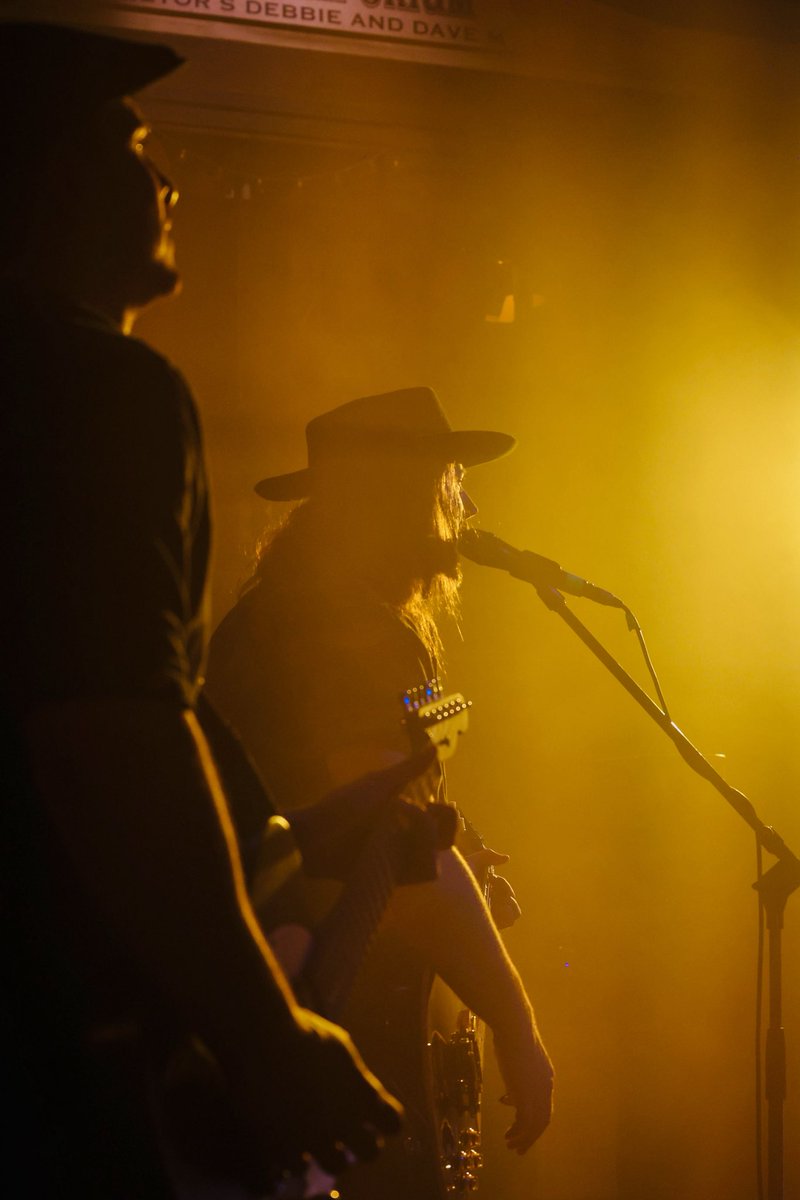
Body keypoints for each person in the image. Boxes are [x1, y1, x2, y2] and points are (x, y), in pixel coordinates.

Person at [0, 23, 431, 1197]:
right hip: (69, 1044)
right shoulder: (100, 389)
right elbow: (112, 734)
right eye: (130, 143)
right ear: (45, 177)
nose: (166, 177)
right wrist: (258, 1033)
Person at [205, 386, 555, 1199]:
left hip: (267, 1026)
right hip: (338, 1035)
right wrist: (516, 1021)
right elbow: (397, 859)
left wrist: (455, 838)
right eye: (449, 481)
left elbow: (358, 805)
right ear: (408, 496)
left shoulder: (277, 619)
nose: (461, 505)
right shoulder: (358, 633)